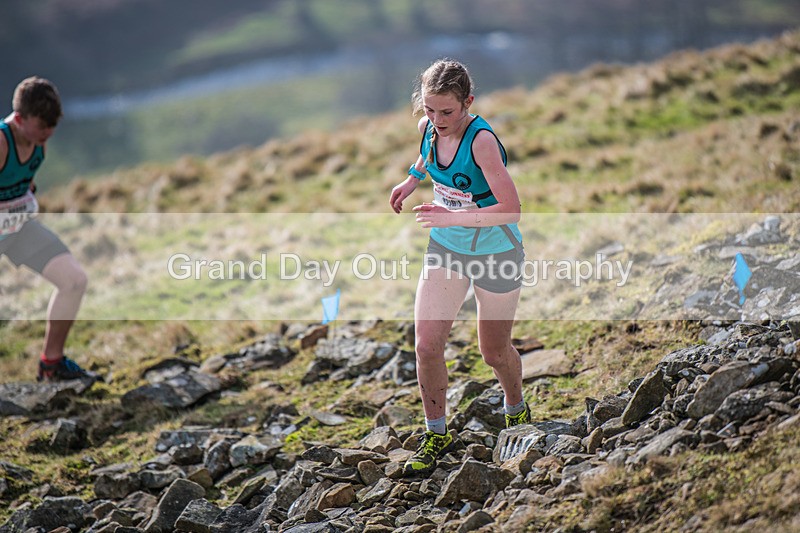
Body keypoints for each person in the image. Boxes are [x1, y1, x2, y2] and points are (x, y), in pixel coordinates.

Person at [389, 59, 529, 476]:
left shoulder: (481, 142)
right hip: (446, 249)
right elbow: (426, 156)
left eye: (447, 112)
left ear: (468, 102)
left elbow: (511, 209)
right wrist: (411, 180)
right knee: (426, 346)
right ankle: (436, 432)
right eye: (429, 111)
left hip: (496, 252)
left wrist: (453, 216)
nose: (437, 120)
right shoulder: (430, 129)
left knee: (494, 352)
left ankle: (516, 409)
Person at [0, 76, 93, 382]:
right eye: (41, 127)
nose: (47, 135)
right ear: (19, 118)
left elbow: (24, 184)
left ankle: (51, 366)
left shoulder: (40, 143)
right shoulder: (2, 143)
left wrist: (27, 198)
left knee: (74, 280)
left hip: (16, 229)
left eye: (51, 128)